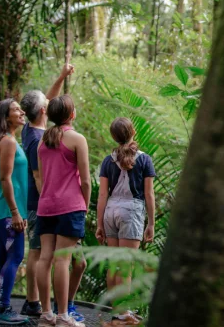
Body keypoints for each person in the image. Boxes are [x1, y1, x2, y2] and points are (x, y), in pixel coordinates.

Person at [19, 65, 86, 323]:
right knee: (47, 256)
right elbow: (40, 177)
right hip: (50, 202)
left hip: (45, 203)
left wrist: (61, 76)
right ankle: (46, 307)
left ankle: (42, 308)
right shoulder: (45, 139)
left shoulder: (34, 131)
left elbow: (49, 103)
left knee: (43, 255)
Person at [35, 95, 90, 327]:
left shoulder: (42, 142)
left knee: (45, 258)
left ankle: (46, 314)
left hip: (45, 206)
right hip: (70, 206)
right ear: (72, 114)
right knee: (62, 260)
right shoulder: (77, 139)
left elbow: (43, 175)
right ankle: (64, 317)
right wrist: (84, 206)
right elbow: (86, 181)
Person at [95, 118, 156, 324]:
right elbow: (149, 194)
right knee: (126, 266)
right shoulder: (144, 160)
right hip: (131, 212)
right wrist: (151, 224)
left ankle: (117, 310)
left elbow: (102, 195)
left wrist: (100, 223)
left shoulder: (107, 160)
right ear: (133, 132)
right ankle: (123, 311)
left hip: (110, 210)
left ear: (114, 137)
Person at [0, 99, 29, 325]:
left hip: (9, 210)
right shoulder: (8, 142)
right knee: (15, 256)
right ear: (6, 116)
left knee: (4, 258)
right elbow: (5, 178)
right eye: (16, 110)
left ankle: (1, 307)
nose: (21, 112)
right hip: (8, 210)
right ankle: (4, 308)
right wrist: (15, 212)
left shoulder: (8, 140)